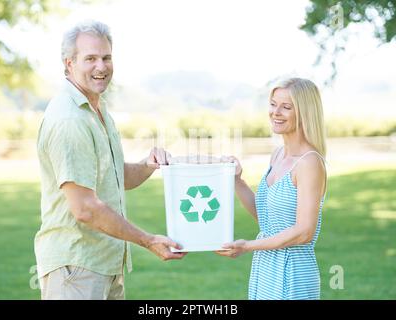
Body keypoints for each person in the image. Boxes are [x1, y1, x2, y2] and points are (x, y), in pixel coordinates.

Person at [35, 20, 185, 300]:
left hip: (102, 264)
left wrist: (146, 165)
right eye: (90, 59)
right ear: (69, 63)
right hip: (75, 268)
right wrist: (148, 240)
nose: (101, 67)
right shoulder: (70, 119)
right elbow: (85, 209)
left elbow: (113, 177)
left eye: (106, 57)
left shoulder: (96, 109)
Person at [217, 78, 327, 300]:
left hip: (293, 271)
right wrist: (237, 180)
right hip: (267, 267)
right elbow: (267, 219)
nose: (276, 112)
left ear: (304, 112)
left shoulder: (309, 162)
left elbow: (304, 232)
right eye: (273, 104)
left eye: (286, 107)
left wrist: (248, 246)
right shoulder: (277, 155)